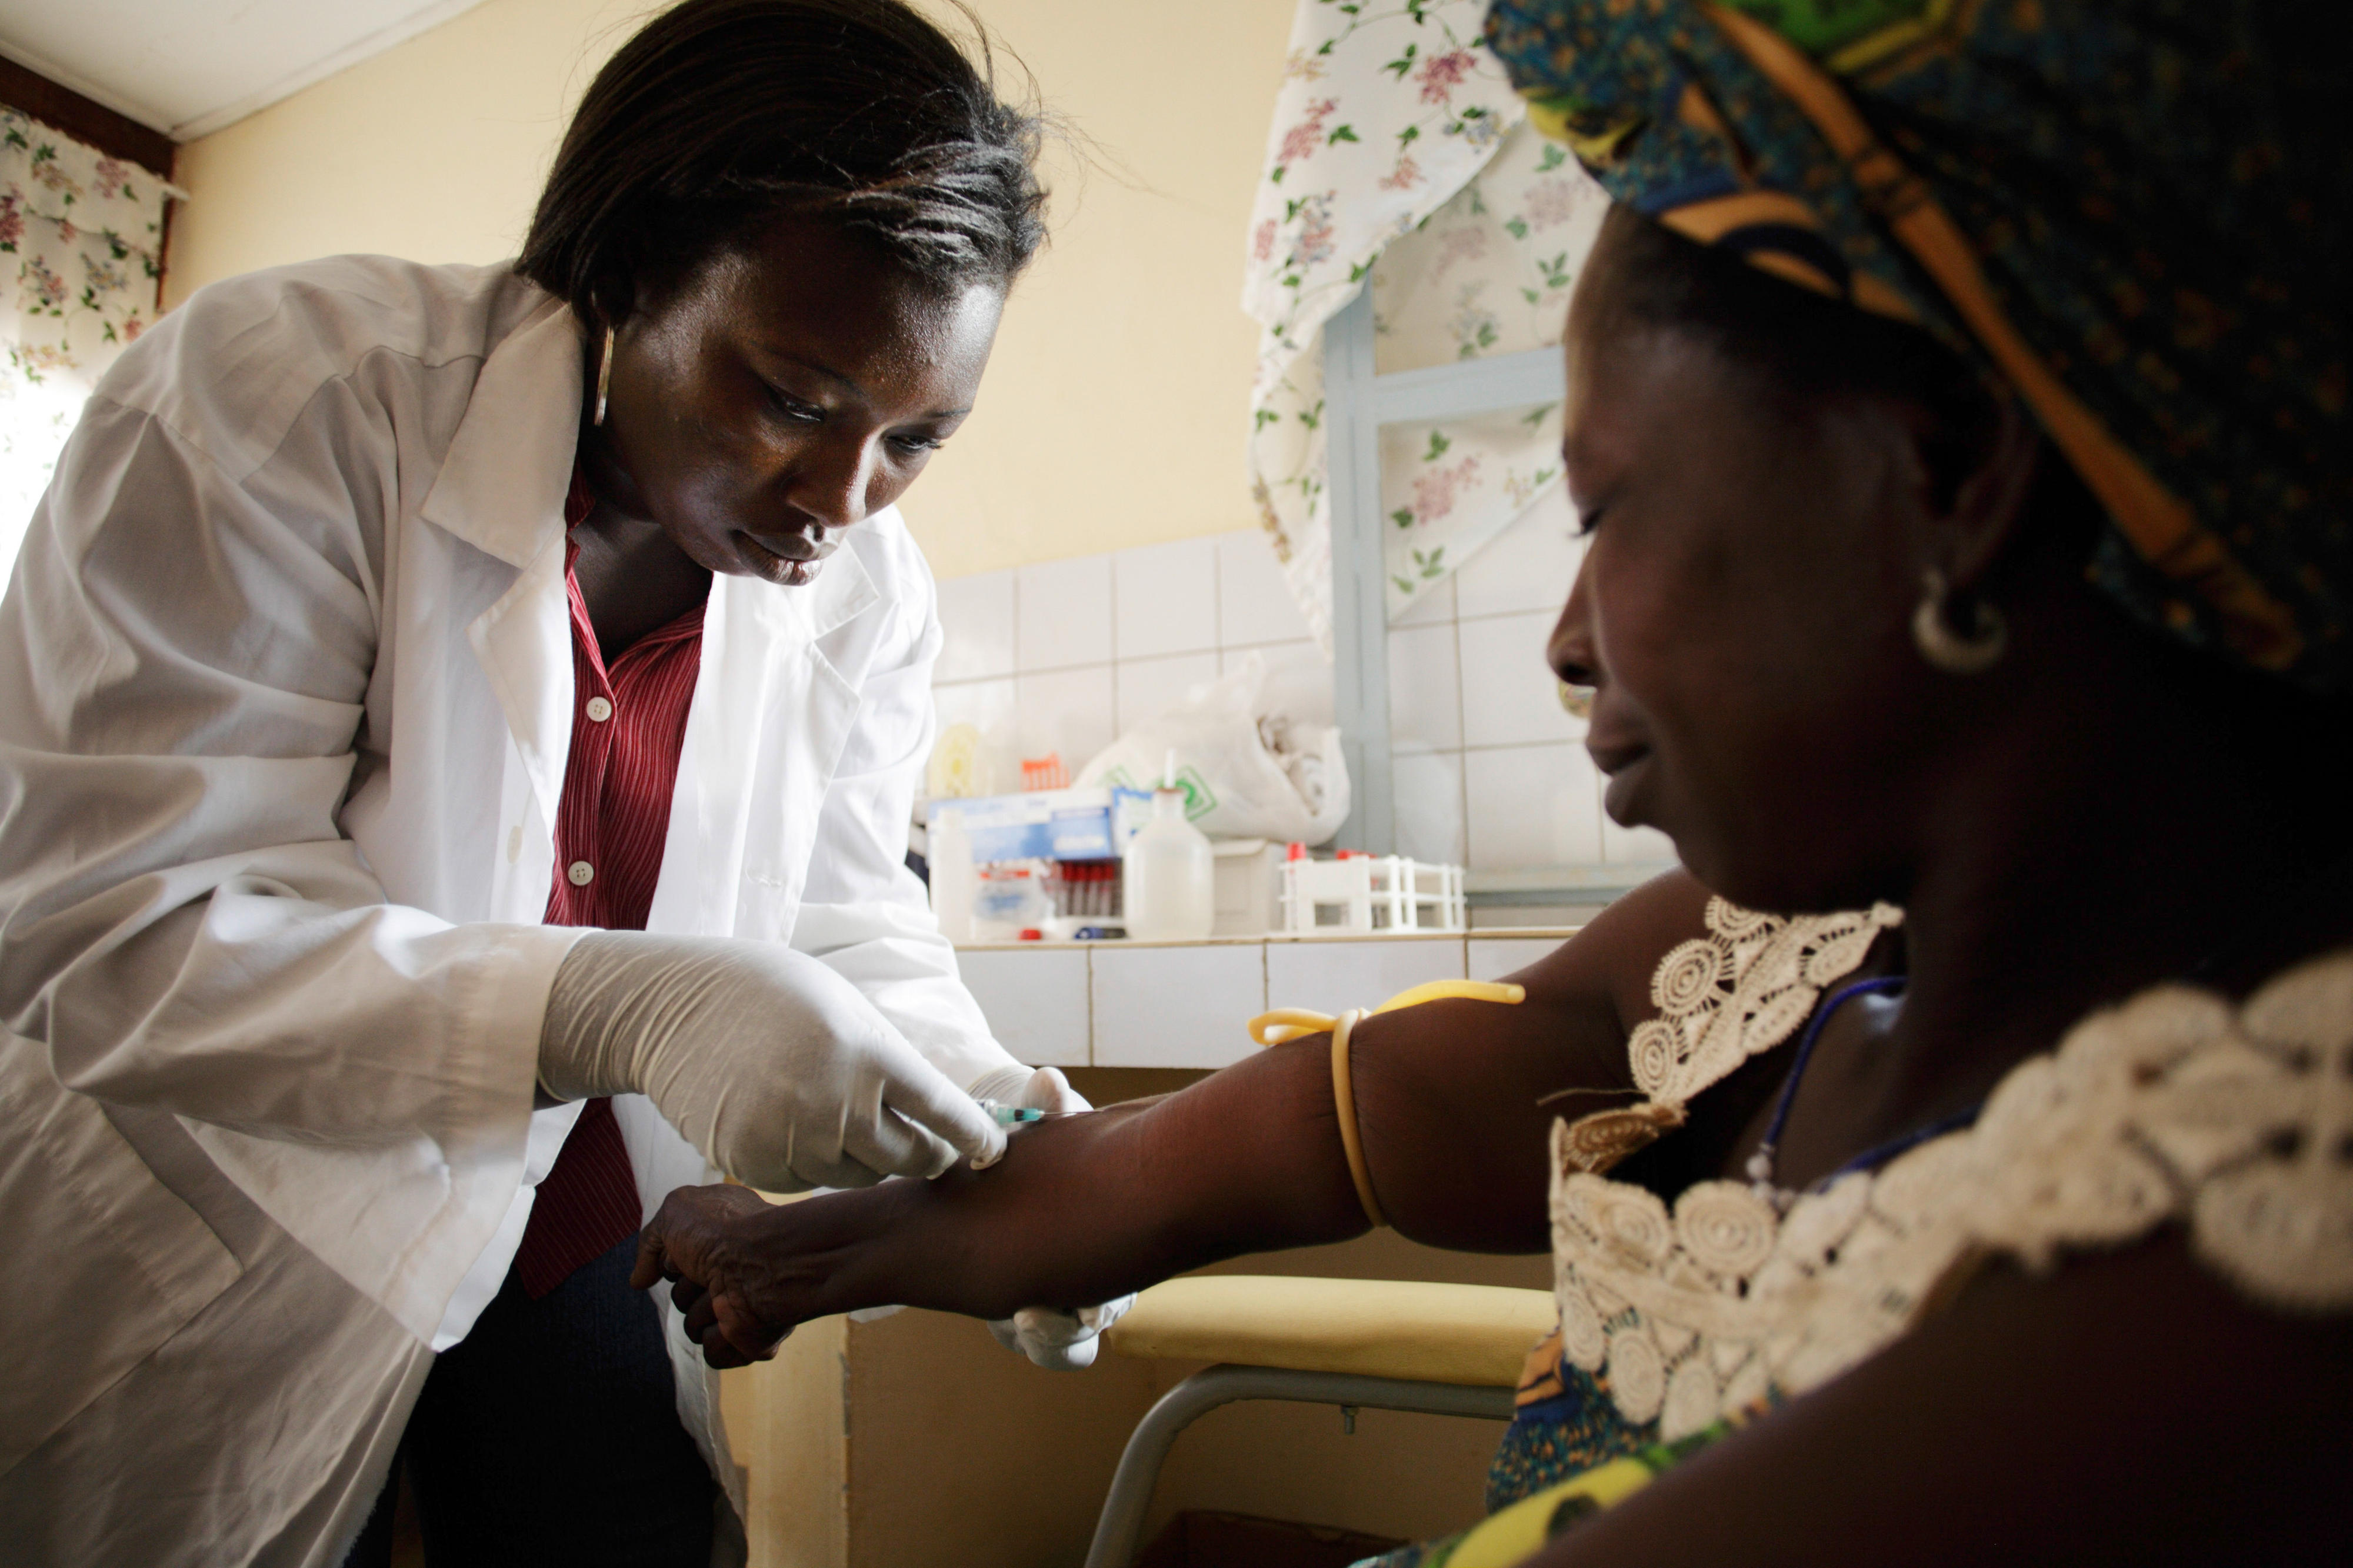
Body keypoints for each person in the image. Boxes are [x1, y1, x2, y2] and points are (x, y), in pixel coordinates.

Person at [633, 0, 2352, 1560]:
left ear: (1956, 479)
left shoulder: (2256, 1236)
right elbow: (1271, 1141)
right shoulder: (1772, 959)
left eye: (1605, 510)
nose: (1569, 640)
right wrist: (820, 1249)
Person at [0, 3, 1112, 1564]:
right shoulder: (289, 400)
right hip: (220, 1217)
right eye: (793, 398)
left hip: (571, 1244)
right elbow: (125, 928)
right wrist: (612, 1006)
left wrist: (994, 1116)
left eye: (916, 437)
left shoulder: (867, 589)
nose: (844, 501)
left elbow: (846, 915)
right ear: (621, 269)